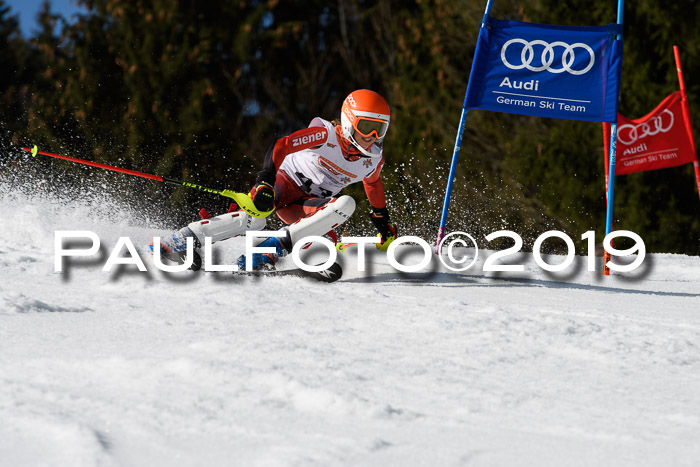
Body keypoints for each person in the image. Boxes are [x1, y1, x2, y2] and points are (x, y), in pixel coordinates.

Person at [153, 89, 398, 270]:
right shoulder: (325, 135)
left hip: (309, 206)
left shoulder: (372, 160)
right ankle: (178, 241)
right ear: (348, 122)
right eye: (367, 127)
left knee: (344, 207)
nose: (373, 136)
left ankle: (266, 253)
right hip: (286, 183)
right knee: (257, 214)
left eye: (380, 129)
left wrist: (381, 218)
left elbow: (373, 183)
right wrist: (265, 181)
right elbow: (282, 145)